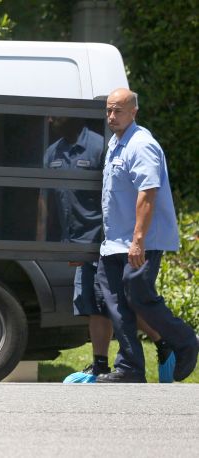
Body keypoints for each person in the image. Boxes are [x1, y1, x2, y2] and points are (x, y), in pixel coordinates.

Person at [36, 117, 174, 383]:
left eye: (58, 115)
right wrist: (43, 238)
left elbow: (118, 193)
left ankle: (165, 342)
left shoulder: (101, 147)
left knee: (118, 302)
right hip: (76, 241)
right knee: (94, 302)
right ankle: (100, 365)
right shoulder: (53, 151)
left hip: (105, 240)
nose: (51, 119)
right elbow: (45, 198)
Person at [94, 88, 198, 383]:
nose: (112, 116)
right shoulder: (116, 144)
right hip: (113, 242)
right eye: (109, 110)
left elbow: (148, 193)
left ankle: (186, 339)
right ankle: (129, 368)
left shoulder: (141, 144)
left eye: (119, 110)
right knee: (115, 302)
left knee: (137, 293)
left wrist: (138, 239)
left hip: (141, 242)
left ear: (134, 112)